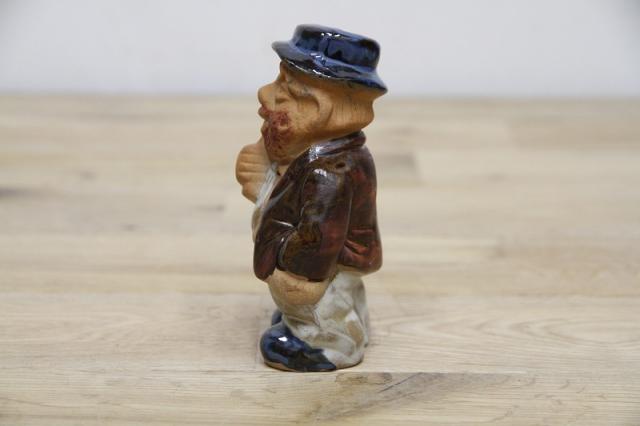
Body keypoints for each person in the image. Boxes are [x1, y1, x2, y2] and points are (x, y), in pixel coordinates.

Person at [236, 24, 387, 371]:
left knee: (311, 296)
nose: (265, 94)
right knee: (341, 291)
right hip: (338, 267)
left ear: (317, 109)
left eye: (283, 90)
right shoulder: (339, 154)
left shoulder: (327, 174)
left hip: (314, 273)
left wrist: (265, 193)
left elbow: (312, 249)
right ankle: (334, 319)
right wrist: (270, 176)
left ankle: (327, 343)